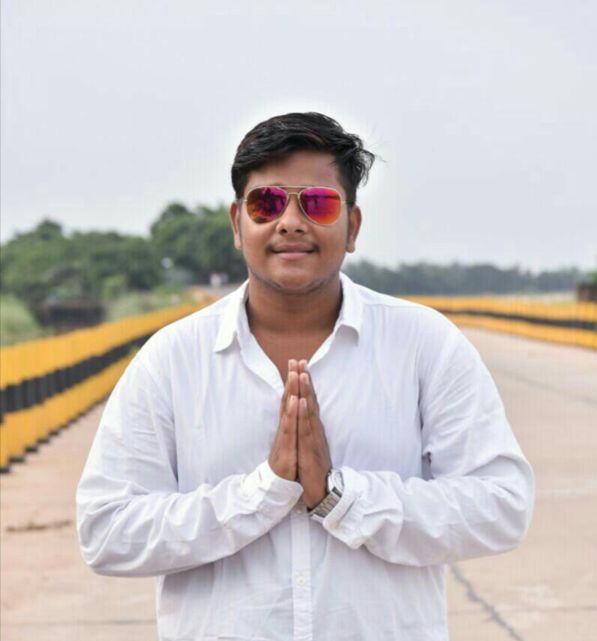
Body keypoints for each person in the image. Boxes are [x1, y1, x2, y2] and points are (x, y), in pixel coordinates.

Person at [76, 112, 534, 641]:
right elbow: (106, 531)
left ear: (352, 226)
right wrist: (262, 493)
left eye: (317, 203)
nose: (291, 222)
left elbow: (501, 506)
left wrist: (339, 497)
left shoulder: (424, 345)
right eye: (266, 203)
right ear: (237, 223)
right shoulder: (173, 360)